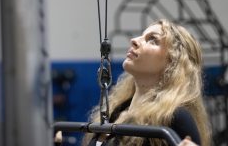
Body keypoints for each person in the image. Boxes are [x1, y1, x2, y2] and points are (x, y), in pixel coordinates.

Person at [81, 19, 211, 146]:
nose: (134, 40)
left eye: (152, 40)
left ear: (173, 62)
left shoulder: (175, 117)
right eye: (141, 36)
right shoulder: (116, 112)